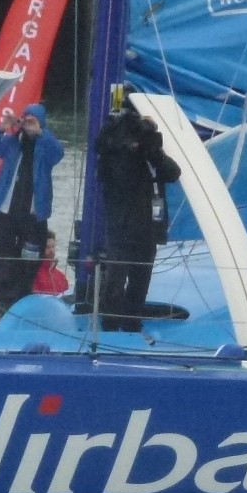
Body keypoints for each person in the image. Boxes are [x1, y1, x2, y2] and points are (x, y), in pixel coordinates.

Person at [94, 100, 180, 332]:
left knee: (141, 278)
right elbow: (117, 177)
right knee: (116, 278)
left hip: (148, 227)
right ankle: (110, 323)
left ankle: (132, 321)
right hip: (121, 227)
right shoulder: (113, 155)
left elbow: (173, 173)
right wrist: (126, 150)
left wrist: (152, 150)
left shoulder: (152, 157)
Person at [0, 102, 64, 314]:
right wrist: (3, 127)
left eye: (31, 121)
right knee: (3, 253)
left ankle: (23, 296)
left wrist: (40, 133)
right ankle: (4, 300)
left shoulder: (46, 145)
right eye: (25, 120)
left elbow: (58, 154)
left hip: (33, 213)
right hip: (6, 210)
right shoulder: (12, 142)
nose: (26, 125)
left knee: (30, 256)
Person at [31, 231, 70, 295]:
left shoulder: (61, 276)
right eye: (47, 247)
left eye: (53, 247)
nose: (52, 251)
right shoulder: (34, 274)